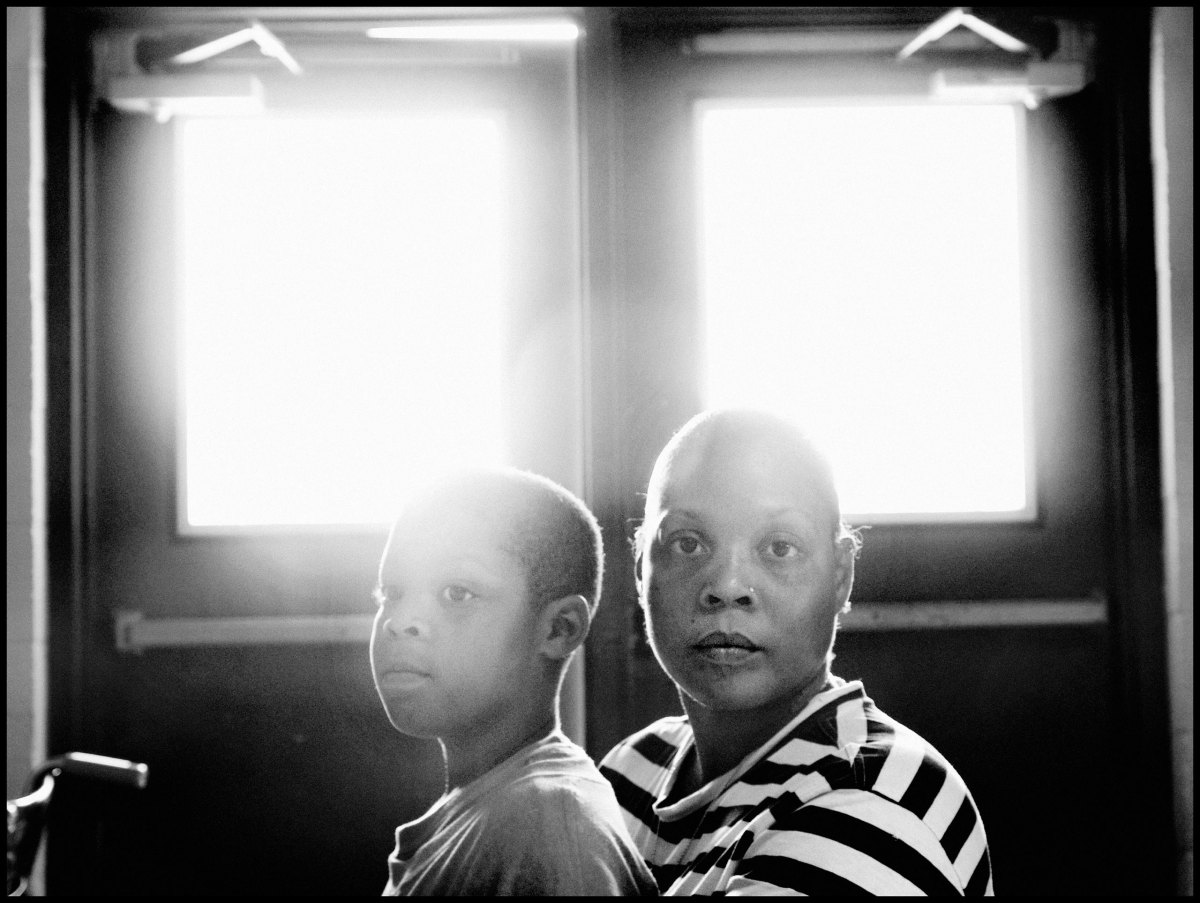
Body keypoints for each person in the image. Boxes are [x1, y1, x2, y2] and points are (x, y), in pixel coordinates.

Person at [600, 408, 994, 895]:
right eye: (688, 543)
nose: (726, 587)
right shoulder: (631, 767)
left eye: (779, 547)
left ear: (840, 577)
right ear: (641, 569)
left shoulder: (871, 801)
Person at [370, 467, 658, 896]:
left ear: (559, 628)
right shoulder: (489, 812)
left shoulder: (552, 833)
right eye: (392, 592)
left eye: (457, 593)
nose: (401, 622)